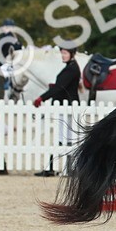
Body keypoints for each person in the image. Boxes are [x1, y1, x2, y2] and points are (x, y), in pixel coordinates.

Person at [33, 47, 81, 176]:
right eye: (62, 53)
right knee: (65, 139)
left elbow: (60, 87)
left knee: (63, 139)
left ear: (71, 54)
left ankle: (55, 168)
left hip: (67, 108)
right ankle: (60, 168)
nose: (62, 55)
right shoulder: (70, 67)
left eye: (65, 53)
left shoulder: (71, 69)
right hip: (66, 107)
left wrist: (42, 97)